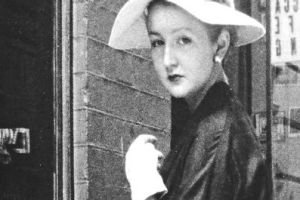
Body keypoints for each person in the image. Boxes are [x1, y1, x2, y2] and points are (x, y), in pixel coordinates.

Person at [108, 0, 267, 200]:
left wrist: (144, 188)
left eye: (183, 40)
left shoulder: (214, 131)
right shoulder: (211, 121)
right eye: (157, 42)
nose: (168, 60)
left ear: (220, 45)